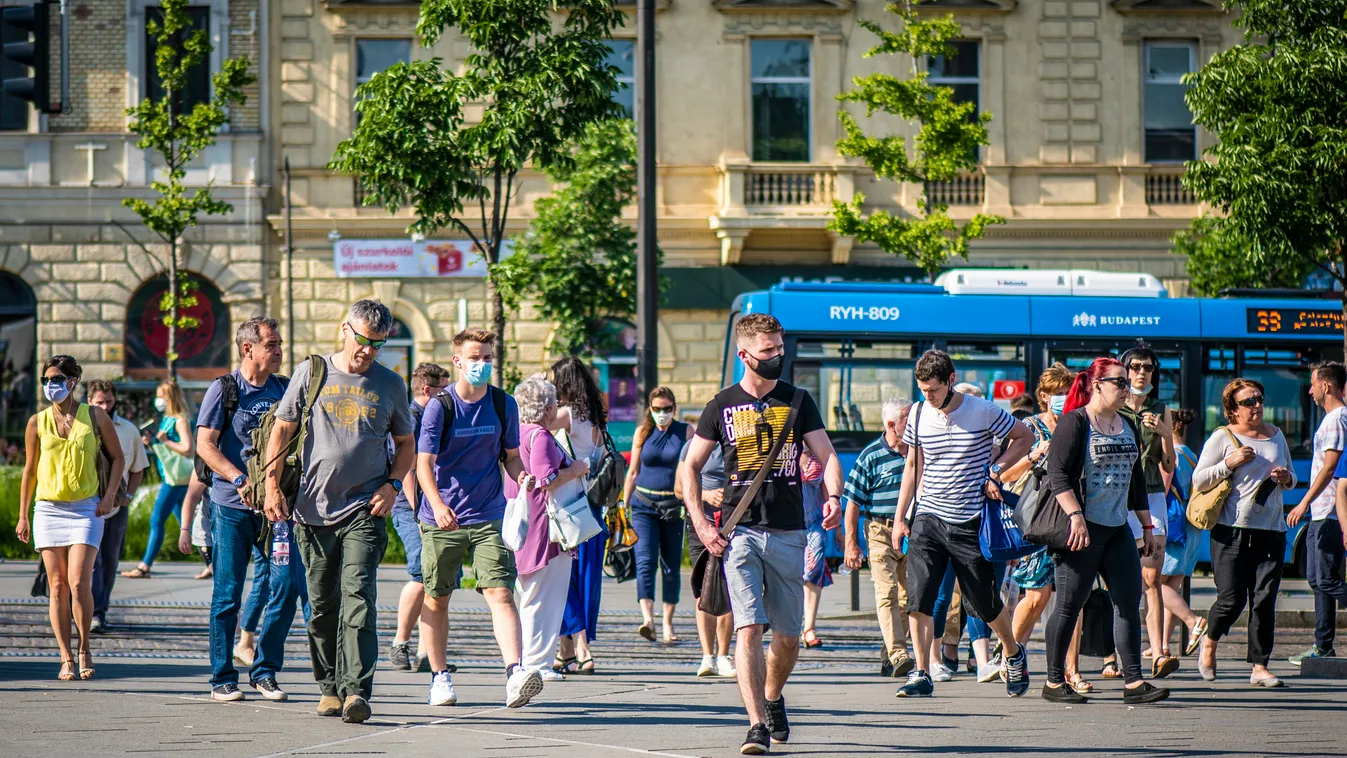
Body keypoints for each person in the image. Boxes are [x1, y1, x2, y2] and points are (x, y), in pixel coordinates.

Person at [681, 313, 843, 755]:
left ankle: (773, 698)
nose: (777, 356)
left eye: (779, 348)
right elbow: (689, 467)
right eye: (768, 350)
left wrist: (833, 496)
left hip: (790, 530)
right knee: (749, 627)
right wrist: (700, 522)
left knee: (788, 636)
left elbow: (827, 455)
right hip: (740, 533)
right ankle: (755, 726)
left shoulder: (798, 399)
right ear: (745, 354)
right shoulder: (721, 405)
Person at [266, 300, 414, 722]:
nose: (368, 351)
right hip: (311, 510)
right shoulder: (311, 373)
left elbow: (405, 444)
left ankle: (356, 692)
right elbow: (282, 430)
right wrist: (273, 487)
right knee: (321, 605)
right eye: (364, 340)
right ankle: (329, 686)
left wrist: (391, 485)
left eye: (379, 344)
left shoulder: (390, 385)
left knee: (359, 598)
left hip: (364, 508)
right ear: (345, 329)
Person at [889, 349, 1033, 700]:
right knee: (919, 598)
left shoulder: (982, 411)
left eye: (933, 390)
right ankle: (922, 672)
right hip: (928, 518)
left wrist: (996, 469)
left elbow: (1025, 438)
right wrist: (900, 518)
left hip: (969, 520)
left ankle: (1013, 652)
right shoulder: (919, 414)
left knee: (983, 602)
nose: (927, 397)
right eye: (922, 390)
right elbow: (912, 467)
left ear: (951, 381)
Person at [415, 329, 539, 709]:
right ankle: (440, 677)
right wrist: (436, 505)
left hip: (489, 514)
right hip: (444, 517)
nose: (482, 364)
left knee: (501, 592)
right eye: (474, 357)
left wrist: (521, 474)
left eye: (487, 357)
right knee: (437, 598)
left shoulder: (503, 404)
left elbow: (512, 455)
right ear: (458, 361)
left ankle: (515, 673)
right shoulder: (441, 406)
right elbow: (424, 465)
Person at [1038, 357, 1168, 705]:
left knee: (1128, 602)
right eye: (1120, 382)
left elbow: (1137, 479)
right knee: (1068, 604)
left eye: (1128, 383)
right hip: (1082, 530)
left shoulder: (1128, 425)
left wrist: (1146, 525)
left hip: (1116, 529)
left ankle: (1134, 682)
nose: (1128, 388)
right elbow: (1058, 474)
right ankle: (1053, 681)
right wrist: (1076, 516)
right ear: (1097, 385)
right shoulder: (1075, 422)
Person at [197, 317, 303, 703]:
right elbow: (205, 445)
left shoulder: (285, 388)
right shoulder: (225, 389)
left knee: (286, 586)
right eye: (271, 344)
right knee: (228, 592)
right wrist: (239, 479)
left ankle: (265, 670)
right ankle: (222, 677)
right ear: (248, 349)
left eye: (278, 343)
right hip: (231, 507)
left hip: (276, 509)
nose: (278, 350)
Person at [15, 355, 125, 680]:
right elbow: (29, 470)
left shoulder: (95, 416)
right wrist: (23, 515)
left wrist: (109, 497)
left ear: (73, 382)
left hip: (86, 508)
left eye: (57, 379)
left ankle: (84, 646)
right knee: (58, 585)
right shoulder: (37, 421)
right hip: (48, 508)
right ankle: (65, 656)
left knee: (79, 582)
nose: (51, 385)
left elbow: (118, 459)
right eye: (46, 380)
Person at [1193, 378, 1295, 687]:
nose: (1257, 406)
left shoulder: (1277, 436)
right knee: (1231, 598)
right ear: (1232, 409)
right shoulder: (1222, 438)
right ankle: (1209, 642)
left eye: (1259, 399)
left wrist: (1285, 477)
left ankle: (1260, 667)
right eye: (1248, 402)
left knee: (1264, 600)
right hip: (1231, 532)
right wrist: (1229, 463)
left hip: (1272, 530)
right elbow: (1199, 481)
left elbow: (1290, 477)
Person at [999, 364, 1090, 693]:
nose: (1064, 399)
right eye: (1058, 393)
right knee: (1037, 595)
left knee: (1073, 597)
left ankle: (1071, 671)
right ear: (1044, 397)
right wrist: (1036, 455)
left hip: (1072, 517)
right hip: (1039, 520)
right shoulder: (1029, 427)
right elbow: (1005, 474)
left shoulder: (1080, 424)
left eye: (1069, 392)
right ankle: (1012, 654)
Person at [512, 375, 588, 682]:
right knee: (546, 597)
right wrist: (576, 469)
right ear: (545, 408)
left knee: (531, 596)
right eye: (554, 402)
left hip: (526, 523)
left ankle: (533, 661)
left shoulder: (516, 434)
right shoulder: (540, 436)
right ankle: (538, 663)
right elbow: (546, 479)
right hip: (547, 526)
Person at [1115, 340, 1178, 678]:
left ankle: (1158, 652)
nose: (1141, 372)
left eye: (1148, 367)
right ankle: (1115, 654)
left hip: (1151, 495)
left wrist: (1165, 433)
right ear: (1124, 371)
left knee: (1152, 576)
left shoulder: (1161, 407)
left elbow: (1169, 462)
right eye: (1135, 367)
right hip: (1116, 499)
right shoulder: (1114, 405)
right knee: (1118, 578)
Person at [842, 397, 915, 679]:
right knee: (887, 593)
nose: (913, 423)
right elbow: (853, 502)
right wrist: (851, 543)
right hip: (879, 531)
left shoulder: (918, 452)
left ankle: (890, 653)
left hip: (911, 531)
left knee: (909, 598)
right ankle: (899, 654)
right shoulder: (870, 455)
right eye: (908, 419)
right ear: (891, 424)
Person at [389, 362, 452, 673]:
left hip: (429, 507)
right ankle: (400, 643)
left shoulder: (434, 415)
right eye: (443, 389)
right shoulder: (414, 418)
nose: (448, 394)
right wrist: (418, 513)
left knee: (437, 579)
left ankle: (429, 652)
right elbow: (410, 470)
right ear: (427, 390)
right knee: (420, 573)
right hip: (410, 506)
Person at [549, 356, 609, 675]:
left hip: (569, 504)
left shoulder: (567, 414)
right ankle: (566, 652)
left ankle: (581, 648)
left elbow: (533, 425)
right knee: (585, 578)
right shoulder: (596, 415)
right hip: (592, 506)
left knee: (565, 578)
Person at [623, 385, 693, 644]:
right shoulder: (643, 431)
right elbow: (632, 471)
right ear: (649, 410)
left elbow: (692, 469)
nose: (662, 414)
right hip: (643, 505)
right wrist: (623, 504)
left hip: (673, 507)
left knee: (671, 567)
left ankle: (667, 624)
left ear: (674, 409)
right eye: (657, 409)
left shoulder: (686, 432)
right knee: (645, 562)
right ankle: (648, 620)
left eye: (666, 409)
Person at [1289, 362, 1347, 666]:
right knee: (1315, 577)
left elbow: (1331, 467)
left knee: (1325, 579)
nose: (1310, 391)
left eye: (1313, 384)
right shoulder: (1330, 419)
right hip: (1320, 511)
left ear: (1326, 386)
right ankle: (1323, 645)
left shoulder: (1338, 419)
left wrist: (1303, 502)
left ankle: (1323, 644)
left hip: (1329, 512)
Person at [86, 379, 150, 633]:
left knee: (110, 559)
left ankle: (100, 609)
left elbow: (138, 469)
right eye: (99, 402)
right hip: (87, 504)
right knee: (92, 560)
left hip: (116, 506)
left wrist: (128, 496)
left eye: (109, 401)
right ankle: (91, 610)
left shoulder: (128, 430)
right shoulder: (80, 425)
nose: (105, 406)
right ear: (89, 401)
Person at [120, 380, 195, 579]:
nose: (158, 400)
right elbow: (168, 454)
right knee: (186, 524)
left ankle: (145, 566)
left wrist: (165, 441)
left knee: (156, 520)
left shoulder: (180, 420)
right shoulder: (166, 419)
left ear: (170, 398)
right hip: (172, 476)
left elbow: (188, 450)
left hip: (175, 480)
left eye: (161, 396)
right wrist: (153, 445)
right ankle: (213, 563)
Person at [676, 438, 736, 678]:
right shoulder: (691, 445)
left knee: (731, 587)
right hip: (701, 523)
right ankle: (707, 656)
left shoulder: (739, 442)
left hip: (733, 522)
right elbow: (679, 489)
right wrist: (707, 495)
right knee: (704, 588)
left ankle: (723, 655)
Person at [1157, 408, 1208, 661]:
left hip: (1172, 525)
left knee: (1153, 583)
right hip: (1190, 526)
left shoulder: (1172, 456)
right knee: (1172, 589)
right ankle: (1163, 646)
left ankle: (1194, 621)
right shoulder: (1191, 455)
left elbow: (1163, 491)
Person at [799, 451, 831, 648]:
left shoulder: (818, 448)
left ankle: (809, 627)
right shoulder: (782, 442)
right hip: (787, 522)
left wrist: (837, 527)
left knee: (813, 568)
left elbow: (826, 487)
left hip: (815, 520)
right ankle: (790, 625)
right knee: (787, 572)